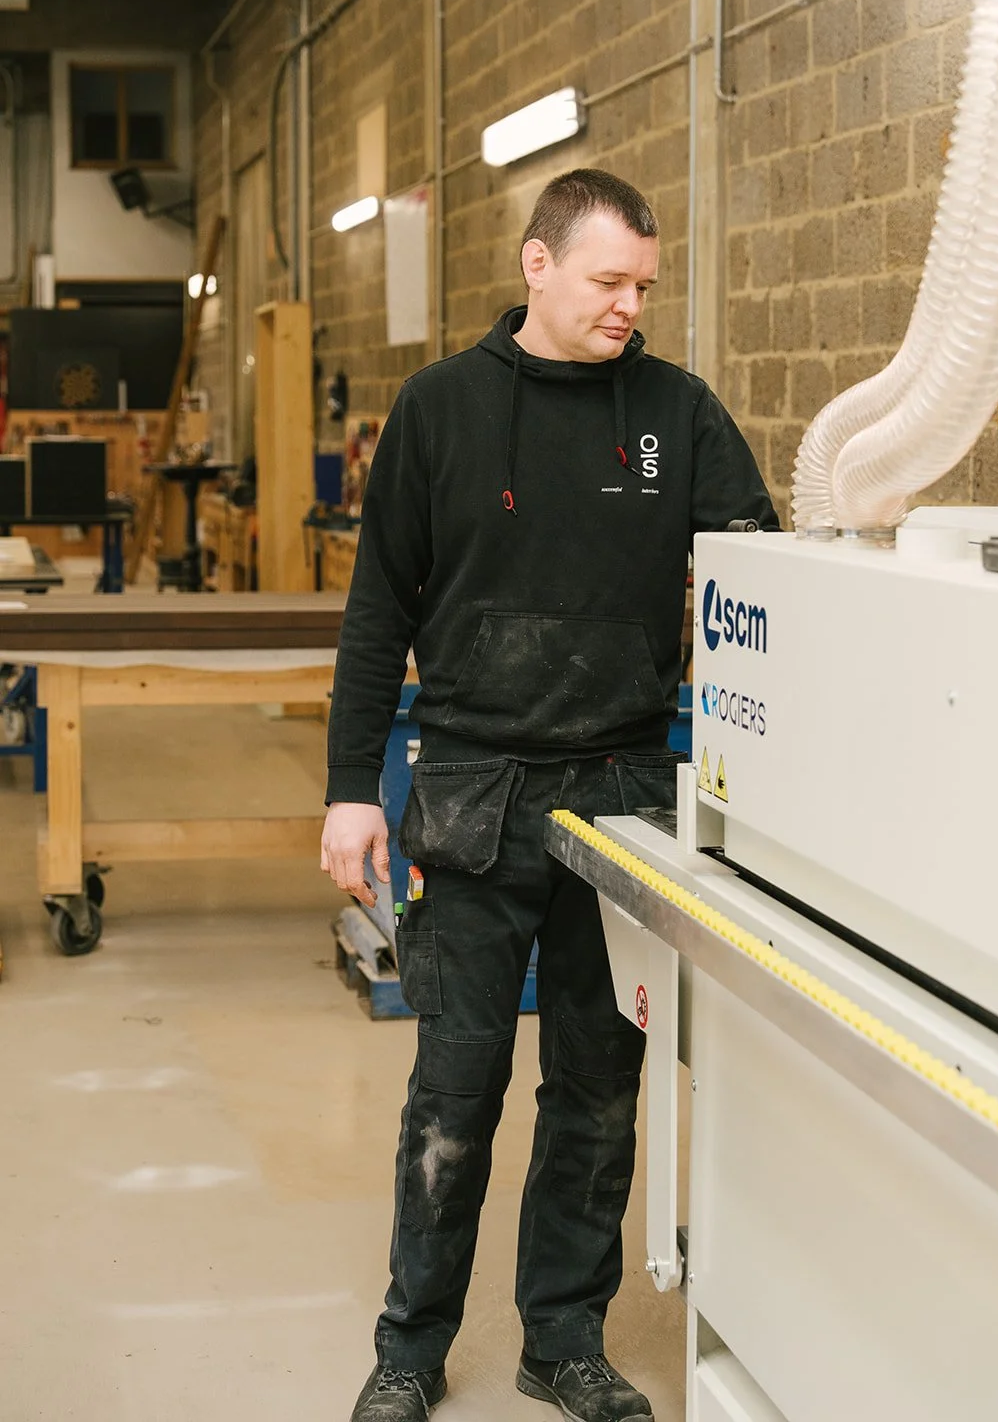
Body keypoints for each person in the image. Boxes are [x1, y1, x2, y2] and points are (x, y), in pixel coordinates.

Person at [321, 168, 778, 1422]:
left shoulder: (675, 412)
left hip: (622, 798)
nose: (630, 304)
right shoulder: (439, 408)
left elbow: (758, 581)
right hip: (473, 792)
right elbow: (376, 613)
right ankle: (411, 1347)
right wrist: (351, 788)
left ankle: (562, 1338)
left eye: (643, 285)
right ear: (537, 264)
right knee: (452, 1089)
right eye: (606, 280)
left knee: (595, 1088)